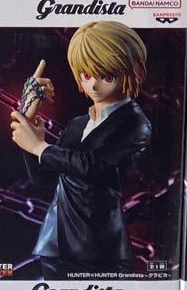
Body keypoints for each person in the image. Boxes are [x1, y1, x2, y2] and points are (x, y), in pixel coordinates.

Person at [9, 21, 152, 278]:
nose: (94, 85)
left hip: (98, 247)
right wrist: (30, 133)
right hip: (55, 242)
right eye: (86, 75)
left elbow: (95, 167)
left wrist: (40, 146)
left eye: (107, 76)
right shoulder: (78, 124)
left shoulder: (135, 122)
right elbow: (45, 178)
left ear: (130, 70)